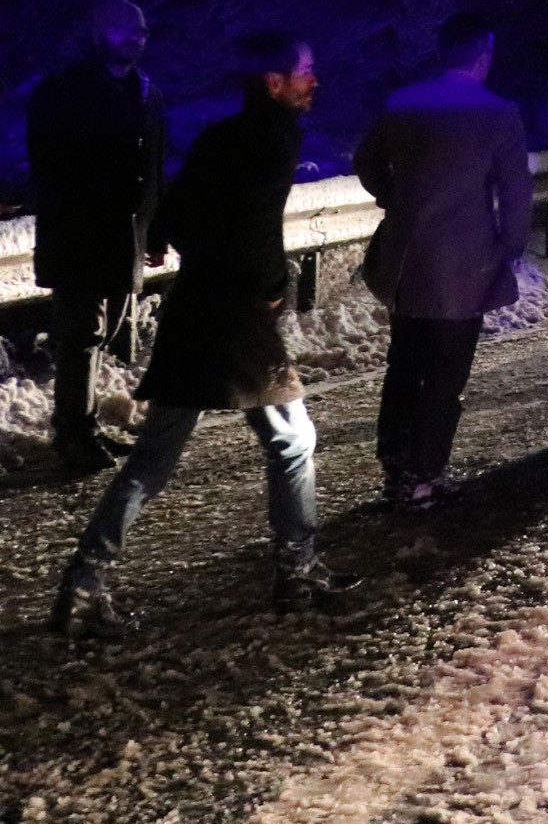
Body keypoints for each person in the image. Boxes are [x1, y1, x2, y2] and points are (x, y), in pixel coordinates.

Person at [53, 32, 355, 637]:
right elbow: (255, 227)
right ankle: (296, 570)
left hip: (197, 312)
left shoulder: (221, 135)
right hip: (236, 321)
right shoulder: (275, 137)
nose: (313, 82)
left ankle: (82, 587)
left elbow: (176, 213)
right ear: (274, 82)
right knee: (293, 442)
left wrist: (189, 250)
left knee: (154, 460)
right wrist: (271, 284)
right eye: (305, 72)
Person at [354, 13, 532, 510]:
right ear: (481, 57)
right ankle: (424, 474)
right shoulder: (497, 113)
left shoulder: (403, 103)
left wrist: (393, 196)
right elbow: (515, 191)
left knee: (405, 364)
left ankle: (394, 463)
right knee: (445, 373)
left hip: (407, 262)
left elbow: (364, 160)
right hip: (464, 262)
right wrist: (509, 245)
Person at [24, 0, 169, 472]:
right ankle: (73, 433)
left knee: (99, 336)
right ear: (100, 33)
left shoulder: (143, 90)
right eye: (128, 29)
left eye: (142, 31)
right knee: (82, 334)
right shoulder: (66, 90)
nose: (138, 39)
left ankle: (81, 427)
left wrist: (153, 231)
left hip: (122, 235)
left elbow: (152, 168)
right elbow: (51, 164)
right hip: (80, 233)